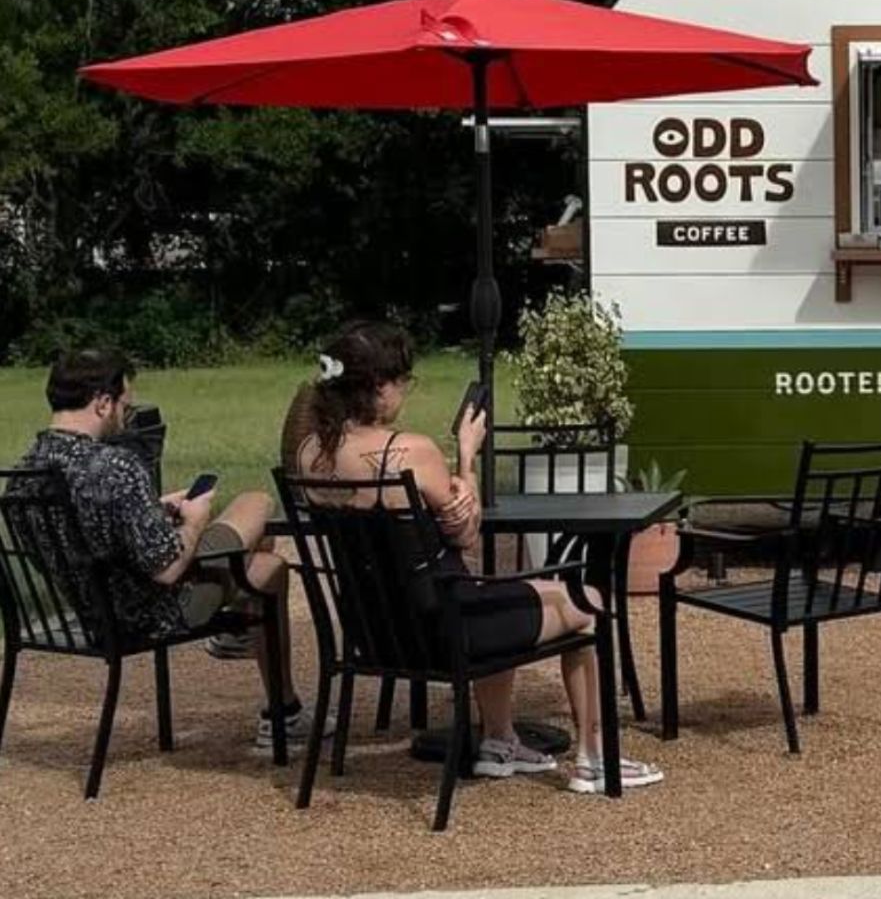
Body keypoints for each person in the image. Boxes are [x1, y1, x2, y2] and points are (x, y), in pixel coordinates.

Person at [291, 323, 661, 795]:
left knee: (489, 592)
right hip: (447, 630)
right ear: (379, 387)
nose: (404, 391)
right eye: (403, 381)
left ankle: (499, 741)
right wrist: (467, 457)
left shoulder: (308, 454)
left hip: (375, 633)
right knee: (586, 600)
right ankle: (596, 757)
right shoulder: (409, 451)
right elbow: (465, 534)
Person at [14, 347, 312, 750]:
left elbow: (72, 536)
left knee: (260, 561)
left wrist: (150, 512)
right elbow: (168, 569)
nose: (125, 415)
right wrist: (194, 519)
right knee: (258, 516)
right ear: (102, 402)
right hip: (153, 612)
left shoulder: (23, 473)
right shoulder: (115, 466)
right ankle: (280, 708)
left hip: (92, 614)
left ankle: (255, 657)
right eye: (124, 405)